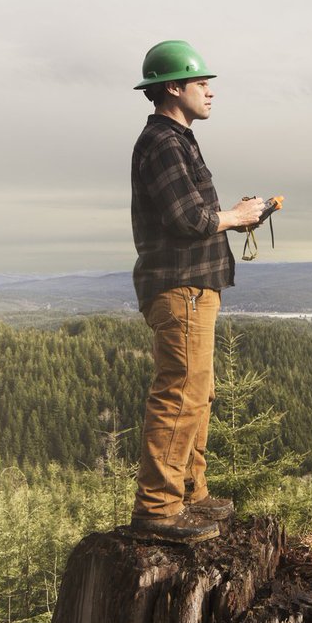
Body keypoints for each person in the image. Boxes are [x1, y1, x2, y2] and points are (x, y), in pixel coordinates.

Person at [128, 40, 265, 543]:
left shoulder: (178, 140)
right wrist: (236, 215)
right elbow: (187, 218)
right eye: (201, 83)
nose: (210, 91)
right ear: (173, 88)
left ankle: (191, 492)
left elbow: (193, 216)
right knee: (181, 392)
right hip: (180, 286)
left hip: (194, 286)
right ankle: (159, 508)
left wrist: (236, 217)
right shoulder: (164, 142)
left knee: (197, 391)